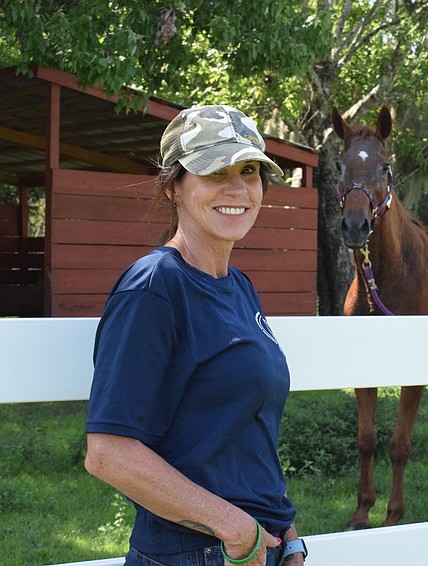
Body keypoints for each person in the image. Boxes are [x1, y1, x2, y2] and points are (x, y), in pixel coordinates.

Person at [85, 105, 307, 566]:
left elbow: (243, 431)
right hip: (196, 552)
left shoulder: (238, 286)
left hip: (258, 547)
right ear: (174, 187)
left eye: (249, 172)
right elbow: (108, 453)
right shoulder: (154, 287)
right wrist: (235, 528)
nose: (237, 189)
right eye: (215, 172)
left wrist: (286, 533)